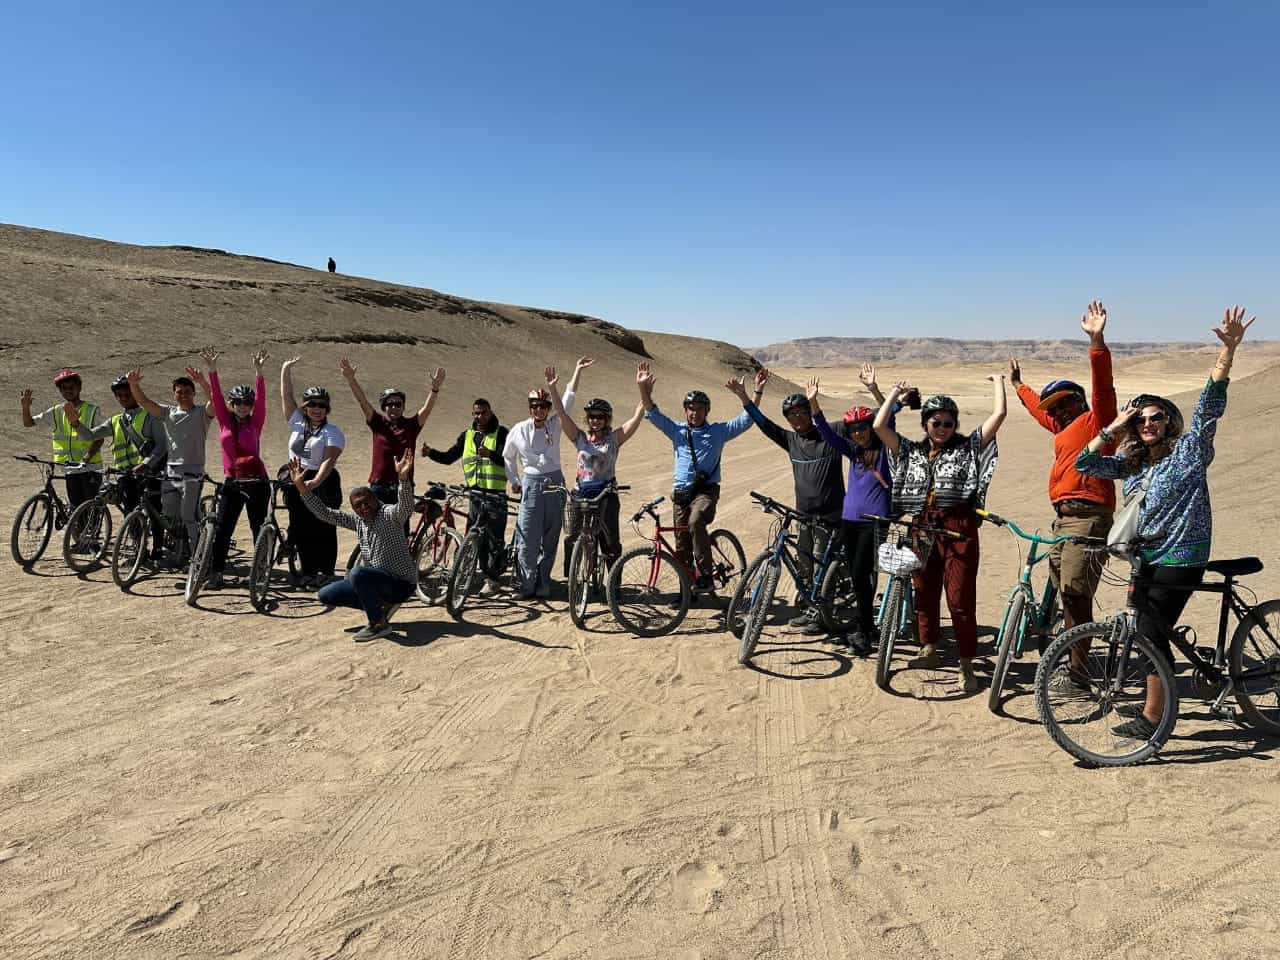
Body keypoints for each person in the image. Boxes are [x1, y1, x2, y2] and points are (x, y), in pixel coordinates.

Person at [1075, 306, 1254, 738]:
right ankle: (1157, 698)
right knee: (1144, 628)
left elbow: (1210, 405)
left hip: (1183, 555)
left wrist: (1228, 352)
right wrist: (1115, 426)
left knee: (1151, 632)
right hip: (1148, 557)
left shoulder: (1190, 451)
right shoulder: (1133, 463)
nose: (1149, 424)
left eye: (1156, 417)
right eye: (1141, 419)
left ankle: (1156, 721)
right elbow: (1084, 463)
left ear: (1170, 421)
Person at [873, 374, 1006, 692]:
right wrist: (894, 392)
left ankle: (966, 663)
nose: (943, 428)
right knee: (924, 592)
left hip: (959, 528)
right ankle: (929, 647)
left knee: (959, 598)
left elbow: (999, 414)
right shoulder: (911, 451)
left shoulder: (967, 449)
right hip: (923, 525)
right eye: (936, 422)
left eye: (948, 423)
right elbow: (879, 426)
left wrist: (999, 382)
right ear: (925, 424)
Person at [1010, 300, 1117, 672]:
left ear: (1080, 402)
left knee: (1076, 595)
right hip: (1064, 520)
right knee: (1066, 594)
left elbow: (1103, 389)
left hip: (1088, 518)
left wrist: (1096, 342)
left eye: (1063, 405)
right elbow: (1038, 410)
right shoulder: (1063, 427)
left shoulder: (1096, 422)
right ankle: (1074, 660)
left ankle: (1079, 672)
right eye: (1053, 409)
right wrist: (1019, 385)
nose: (1056, 412)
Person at [728, 366, 851, 638]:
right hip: (804, 516)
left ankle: (822, 616)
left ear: (809, 412)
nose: (797, 418)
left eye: (802, 412)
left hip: (830, 517)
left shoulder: (831, 433)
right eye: (792, 415)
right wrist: (745, 397)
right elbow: (764, 424)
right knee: (804, 565)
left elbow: (865, 422)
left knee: (820, 566)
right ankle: (810, 608)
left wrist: (891, 401)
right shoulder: (791, 440)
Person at [636, 361, 753, 593]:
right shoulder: (677, 430)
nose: (694, 413)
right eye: (690, 408)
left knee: (696, 520)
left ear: (707, 411)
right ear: (685, 410)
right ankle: (686, 590)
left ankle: (706, 576)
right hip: (682, 494)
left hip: (705, 491)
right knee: (681, 544)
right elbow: (652, 412)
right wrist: (642, 388)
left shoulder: (718, 432)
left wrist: (749, 394)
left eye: (699, 408)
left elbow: (747, 419)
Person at [808, 367, 894, 655]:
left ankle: (865, 629)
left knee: (860, 573)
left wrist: (874, 389)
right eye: (854, 429)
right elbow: (826, 434)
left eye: (862, 427)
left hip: (874, 522)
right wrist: (814, 404)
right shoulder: (854, 452)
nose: (858, 433)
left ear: (871, 427)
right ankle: (864, 626)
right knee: (857, 575)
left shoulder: (883, 450)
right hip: (849, 520)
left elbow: (888, 419)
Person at [291, 449, 418, 641]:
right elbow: (326, 514)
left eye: (367, 502)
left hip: (400, 584)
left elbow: (405, 507)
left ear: (375, 499)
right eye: (358, 506)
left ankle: (378, 624)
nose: (364, 508)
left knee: (358, 573)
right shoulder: (359, 521)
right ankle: (379, 608)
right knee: (326, 594)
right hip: (376, 582)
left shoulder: (390, 515)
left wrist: (403, 479)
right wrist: (302, 489)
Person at [544, 364, 646, 577]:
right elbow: (561, 414)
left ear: (607, 419)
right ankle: (575, 580)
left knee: (610, 542)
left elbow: (637, 416)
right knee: (574, 537)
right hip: (581, 493)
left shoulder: (614, 439)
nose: (595, 420)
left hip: (606, 494)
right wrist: (552, 388)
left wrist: (644, 389)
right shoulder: (580, 438)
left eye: (600, 417)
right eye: (591, 416)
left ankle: (614, 583)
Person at [502, 358, 590, 598]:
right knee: (527, 536)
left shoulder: (556, 424)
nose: (539, 409)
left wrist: (577, 370)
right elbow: (508, 456)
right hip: (531, 484)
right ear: (529, 408)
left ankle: (543, 583)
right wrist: (514, 480)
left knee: (550, 536)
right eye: (535, 405)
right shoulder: (519, 430)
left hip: (554, 483)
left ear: (549, 408)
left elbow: (569, 397)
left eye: (544, 405)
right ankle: (526, 584)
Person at [422, 397, 510, 596]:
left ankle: (493, 579)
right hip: (476, 495)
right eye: (477, 413)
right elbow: (449, 457)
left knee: (494, 539)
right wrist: (431, 453)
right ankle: (469, 574)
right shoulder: (467, 435)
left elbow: (510, 461)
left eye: (484, 412)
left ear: (490, 412)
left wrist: (491, 455)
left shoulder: (502, 433)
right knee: (475, 537)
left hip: (495, 495)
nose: (480, 416)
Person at [127, 363, 215, 555]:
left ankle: (199, 559)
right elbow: (145, 402)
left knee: (188, 517)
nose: (183, 395)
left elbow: (215, 399)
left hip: (193, 472)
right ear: (174, 394)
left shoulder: (202, 413)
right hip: (170, 472)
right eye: (179, 392)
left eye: (187, 391)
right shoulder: (168, 412)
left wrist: (202, 381)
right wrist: (134, 384)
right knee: (170, 515)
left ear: (194, 393)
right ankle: (181, 545)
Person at [204, 349, 271, 589]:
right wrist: (212, 370)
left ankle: (260, 573)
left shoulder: (256, 422)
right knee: (223, 529)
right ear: (231, 405)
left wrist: (259, 373)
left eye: (247, 403)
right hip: (232, 482)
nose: (243, 406)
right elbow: (216, 397)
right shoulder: (224, 421)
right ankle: (216, 573)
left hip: (257, 483)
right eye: (238, 402)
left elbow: (262, 400)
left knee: (257, 528)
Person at [339, 356, 445, 506]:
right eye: (389, 404)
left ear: (403, 406)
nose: (394, 407)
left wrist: (435, 389)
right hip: (379, 487)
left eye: (398, 404)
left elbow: (427, 409)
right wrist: (351, 379)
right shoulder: (377, 423)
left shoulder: (412, 425)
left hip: (404, 485)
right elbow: (362, 401)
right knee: (377, 521)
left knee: (403, 521)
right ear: (384, 407)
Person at [281, 357, 346, 586]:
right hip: (296, 476)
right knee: (301, 525)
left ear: (327, 409)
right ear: (305, 407)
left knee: (324, 525)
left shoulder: (332, 431)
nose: (317, 409)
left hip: (323, 480)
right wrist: (285, 370)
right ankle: (307, 571)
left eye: (321, 405)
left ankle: (325, 571)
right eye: (312, 405)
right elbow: (286, 395)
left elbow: (329, 459)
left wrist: (315, 482)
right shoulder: (297, 423)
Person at [65, 374, 167, 514]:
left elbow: (162, 445)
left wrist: (145, 464)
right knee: (129, 512)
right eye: (119, 395)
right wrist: (76, 423)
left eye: (127, 394)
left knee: (154, 511)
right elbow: (90, 436)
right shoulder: (115, 421)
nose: (123, 398)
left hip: (149, 473)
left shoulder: (150, 416)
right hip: (125, 475)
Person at [20, 370, 105, 508]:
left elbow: (99, 438)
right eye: (64, 389)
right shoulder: (56, 411)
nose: (68, 391)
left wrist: (87, 457)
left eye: (71, 387)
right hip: (70, 468)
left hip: (90, 467)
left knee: (90, 509)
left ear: (79, 388)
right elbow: (28, 423)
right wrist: (25, 407)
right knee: (75, 508)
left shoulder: (92, 410)